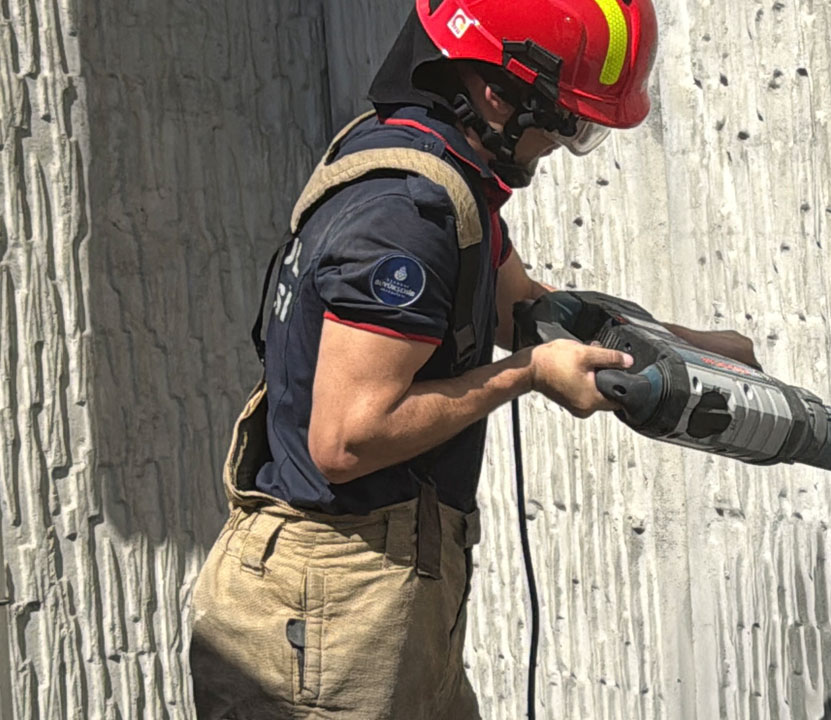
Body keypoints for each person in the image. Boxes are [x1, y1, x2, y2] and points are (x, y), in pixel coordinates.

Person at [187, 1, 759, 717]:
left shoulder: (439, 168)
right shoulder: (405, 214)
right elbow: (347, 439)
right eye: (566, 118)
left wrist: (690, 350)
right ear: (499, 91)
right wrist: (526, 376)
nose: (563, 141)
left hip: (380, 589)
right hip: (327, 610)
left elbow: (522, 310)